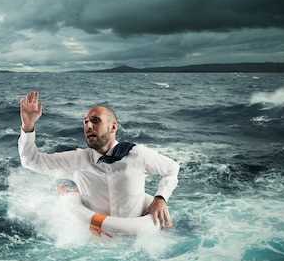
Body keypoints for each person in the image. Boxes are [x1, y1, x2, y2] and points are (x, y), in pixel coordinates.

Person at [18, 90, 179, 235]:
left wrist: (160, 198)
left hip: (135, 239)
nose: (88, 126)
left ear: (113, 127)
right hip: (96, 242)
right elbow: (31, 161)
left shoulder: (137, 154)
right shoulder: (77, 160)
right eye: (85, 122)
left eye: (95, 121)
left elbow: (172, 168)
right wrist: (28, 125)